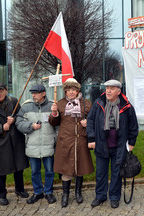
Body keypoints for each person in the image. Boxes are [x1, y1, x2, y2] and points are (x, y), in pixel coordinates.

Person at [87, 79, 139, 209]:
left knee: (116, 173)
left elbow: (133, 125)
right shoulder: (99, 103)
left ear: (118, 91)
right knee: (101, 173)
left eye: (111, 88)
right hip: (101, 145)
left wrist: (131, 141)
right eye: (107, 88)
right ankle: (100, 195)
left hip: (119, 146)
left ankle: (115, 197)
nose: (108, 90)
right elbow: (91, 120)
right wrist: (91, 139)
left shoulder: (126, 106)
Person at [49, 78, 94, 207]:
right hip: (65, 141)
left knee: (80, 168)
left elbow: (94, 119)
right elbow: (53, 123)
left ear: (78, 90)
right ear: (65, 91)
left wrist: (88, 123)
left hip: (80, 140)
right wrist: (54, 113)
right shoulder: (60, 104)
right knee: (66, 169)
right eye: (68, 90)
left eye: (74, 90)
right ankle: (65, 195)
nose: (71, 92)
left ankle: (78, 193)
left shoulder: (86, 103)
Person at [16, 84, 58, 205]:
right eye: (32, 93)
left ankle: (48, 192)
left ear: (43, 93)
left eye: (36, 93)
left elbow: (58, 125)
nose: (33, 95)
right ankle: (38, 192)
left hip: (49, 144)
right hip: (32, 145)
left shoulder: (52, 106)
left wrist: (56, 139)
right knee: (35, 171)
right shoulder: (26, 107)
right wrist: (31, 126)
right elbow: (18, 123)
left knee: (49, 171)